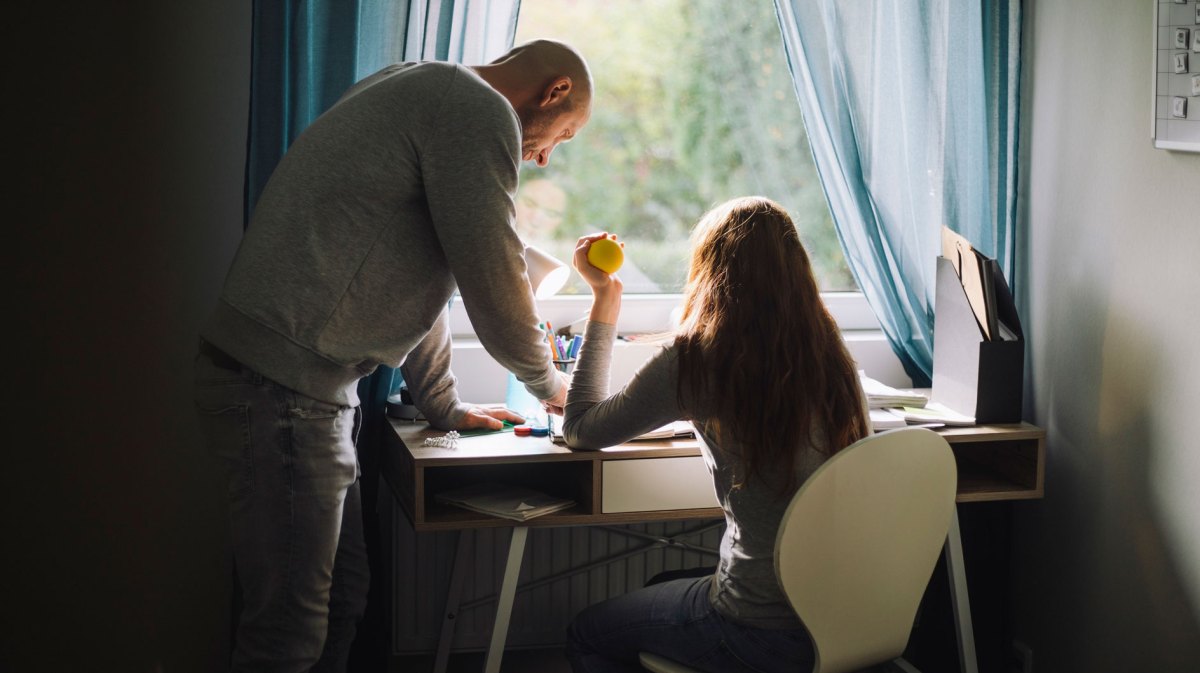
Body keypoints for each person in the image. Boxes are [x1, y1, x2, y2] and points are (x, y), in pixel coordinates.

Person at [194, 39, 592, 672]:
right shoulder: (476, 109)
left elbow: (426, 276)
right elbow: (494, 271)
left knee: (346, 601)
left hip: (302, 387)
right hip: (283, 386)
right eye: (562, 136)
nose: (543, 157)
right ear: (555, 92)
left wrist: (442, 404)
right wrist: (552, 388)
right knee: (287, 635)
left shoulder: (417, 82)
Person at [561, 197, 870, 673]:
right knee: (669, 579)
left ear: (710, 270)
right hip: (844, 623)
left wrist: (606, 299)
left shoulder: (699, 358)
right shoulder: (830, 353)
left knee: (587, 633)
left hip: (758, 629)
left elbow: (581, 429)